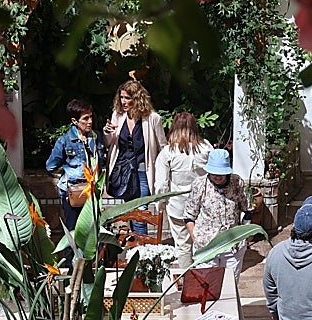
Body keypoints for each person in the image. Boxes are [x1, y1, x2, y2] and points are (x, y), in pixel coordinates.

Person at [103, 80, 168, 235]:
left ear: (137, 99)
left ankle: (141, 245)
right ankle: (136, 243)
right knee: (130, 210)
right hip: (123, 169)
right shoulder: (118, 116)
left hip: (143, 169)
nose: (123, 101)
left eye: (127, 98)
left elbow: (163, 146)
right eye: (121, 97)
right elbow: (109, 144)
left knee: (140, 209)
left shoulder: (153, 118)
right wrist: (107, 132)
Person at [153, 111, 212, 268]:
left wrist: (160, 204)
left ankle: (187, 277)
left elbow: (161, 184)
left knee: (182, 245)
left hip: (178, 206)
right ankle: (204, 275)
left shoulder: (168, 152)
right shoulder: (206, 147)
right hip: (203, 205)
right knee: (204, 243)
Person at [182, 148, 252, 280]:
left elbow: (247, 209)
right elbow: (189, 216)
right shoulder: (199, 185)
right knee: (207, 283)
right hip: (206, 246)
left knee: (230, 283)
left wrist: (246, 236)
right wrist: (195, 238)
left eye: (221, 173)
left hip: (232, 245)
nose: (217, 176)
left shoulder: (237, 182)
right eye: (214, 173)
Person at [45, 98, 105, 236]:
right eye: (85, 118)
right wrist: (67, 173)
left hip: (92, 190)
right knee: (74, 230)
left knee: (93, 231)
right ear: (75, 121)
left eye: (91, 117)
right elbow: (51, 166)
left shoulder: (95, 137)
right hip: (73, 191)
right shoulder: (65, 141)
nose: (90, 121)